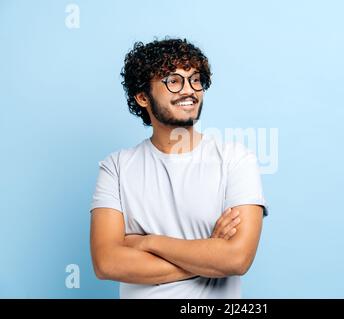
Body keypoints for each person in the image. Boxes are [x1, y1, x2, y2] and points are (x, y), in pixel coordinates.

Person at [90, 38, 268, 298]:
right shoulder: (115, 168)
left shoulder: (236, 159)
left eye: (195, 79)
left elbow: (237, 259)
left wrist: (147, 242)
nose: (190, 90)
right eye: (173, 81)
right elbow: (106, 263)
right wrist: (209, 253)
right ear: (142, 97)